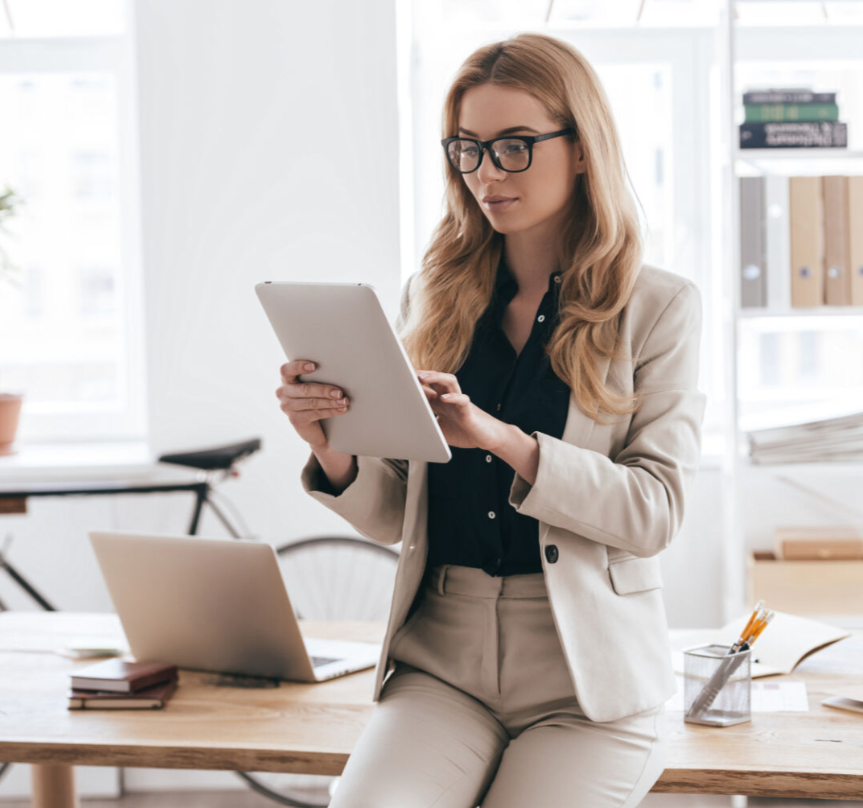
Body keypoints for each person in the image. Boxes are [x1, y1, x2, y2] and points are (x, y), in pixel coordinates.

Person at [276, 31, 705, 808]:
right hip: (442, 664)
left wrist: (501, 440)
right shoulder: (431, 297)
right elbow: (394, 515)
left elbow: (655, 511)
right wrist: (331, 449)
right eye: (467, 149)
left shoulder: (657, 307)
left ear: (581, 148)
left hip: (586, 681)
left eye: (513, 147)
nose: (485, 173)